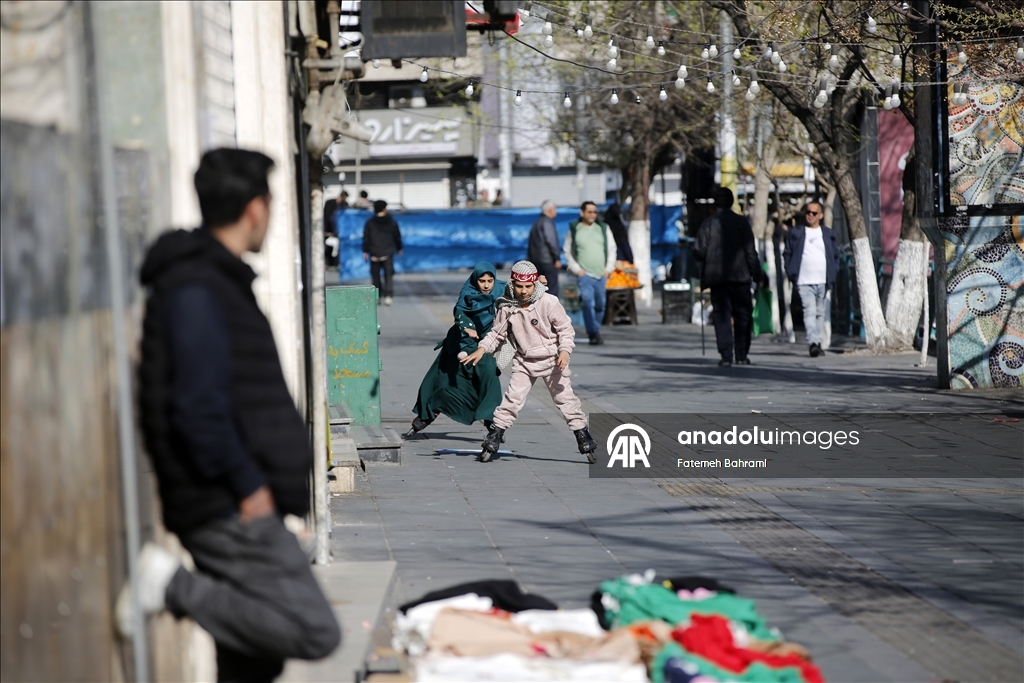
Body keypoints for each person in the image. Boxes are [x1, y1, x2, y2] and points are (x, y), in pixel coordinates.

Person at [123, 148, 341, 682]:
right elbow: (198, 407)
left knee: (250, 665)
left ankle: (174, 586)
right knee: (314, 631)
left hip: (236, 497)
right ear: (254, 208)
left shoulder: (214, 281)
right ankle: (167, 584)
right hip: (227, 503)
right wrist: (249, 488)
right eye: (269, 199)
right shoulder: (197, 289)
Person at [462, 261, 597, 463]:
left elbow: (565, 330)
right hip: (524, 361)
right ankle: (495, 434)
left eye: (528, 286)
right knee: (512, 399)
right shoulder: (507, 306)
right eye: (519, 286)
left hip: (552, 361)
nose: (523, 291)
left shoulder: (548, 302)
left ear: (535, 284)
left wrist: (565, 351)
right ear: (512, 284)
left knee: (566, 400)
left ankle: (582, 434)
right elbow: (496, 334)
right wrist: (482, 349)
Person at [405, 263, 505, 438]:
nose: (487, 285)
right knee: (442, 381)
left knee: (489, 376)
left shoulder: (502, 289)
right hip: (460, 341)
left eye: (490, 281)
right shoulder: (468, 292)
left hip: (486, 343)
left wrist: (540, 283)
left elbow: (525, 290)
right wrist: (467, 327)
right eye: (482, 281)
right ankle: (426, 416)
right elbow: (459, 312)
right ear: (476, 280)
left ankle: (493, 423)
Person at [694, 187, 768, 367]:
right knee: (743, 316)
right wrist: (758, 275)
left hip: (717, 279)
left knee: (722, 316)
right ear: (731, 201)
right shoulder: (741, 223)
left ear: (715, 203)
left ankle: (726, 356)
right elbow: (751, 252)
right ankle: (741, 355)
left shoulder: (708, 224)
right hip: (740, 278)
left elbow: (699, 252)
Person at [784, 201, 840, 357]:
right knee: (810, 310)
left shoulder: (827, 234)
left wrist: (833, 272)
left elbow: (835, 256)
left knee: (820, 312)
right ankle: (813, 343)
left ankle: (817, 342)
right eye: (808, 212)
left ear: (820, 216)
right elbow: (787, 253)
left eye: (814, 213)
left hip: (823, 279)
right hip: (803, 279)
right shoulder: (797, 233)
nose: (810, 215)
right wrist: (791, 272)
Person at [564, 201, 616, 345]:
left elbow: (612, 248)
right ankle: (592, 332)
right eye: (590, 212)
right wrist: (577, 269)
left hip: (601, 274)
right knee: (587, 302)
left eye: (595, 212)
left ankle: (596, 329)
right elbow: (568, 251)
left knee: (601, 304)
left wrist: (608, 269)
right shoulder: (575, 229)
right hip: (584, 275)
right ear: (582, 213)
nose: (593, 215)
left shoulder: (603, 228)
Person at [362, 199, 403, 306]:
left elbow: (366, 238)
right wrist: (399, 248)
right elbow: (397, 236)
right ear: (384, 209)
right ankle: (388, 296)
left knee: (375, 276)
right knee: (388, 275)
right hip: (388, 252)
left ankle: (377, 296)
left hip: (374, 252)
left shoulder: (370, 223)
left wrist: (365, 250)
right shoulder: (391, 222)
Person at [527, 200, 562, 298]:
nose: (556, 211)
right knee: (551, 291)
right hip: (547, 262)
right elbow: (551, 240)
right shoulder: (547, 223)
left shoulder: (537, 223)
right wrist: (557, 258)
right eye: (555, 209)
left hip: (536, 262)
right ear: (550, 210)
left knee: (539, 290)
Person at [323, 190, 348, 268]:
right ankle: (328, 261)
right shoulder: (330, 203)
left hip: (338, 229)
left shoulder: (344, 205)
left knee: (337, 246)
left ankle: (335, 262)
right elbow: (326, 215)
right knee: (327, 246)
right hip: (328, 228)